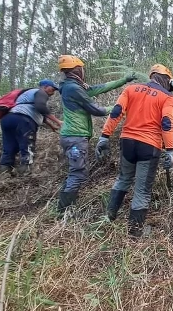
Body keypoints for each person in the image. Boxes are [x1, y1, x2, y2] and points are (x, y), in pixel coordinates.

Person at [95, 64, 173, 237]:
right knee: (142, 190)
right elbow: (167, 123)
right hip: (149, 145)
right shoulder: (167, 97)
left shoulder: (131, 89)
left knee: (123, 179)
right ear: (166, 80)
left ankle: (108, 218)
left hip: (127, 143)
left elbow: (116, 112)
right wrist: (169, 150)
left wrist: (105, 136)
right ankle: (135, 231)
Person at [57, 55, 136, 215]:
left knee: (75, 171)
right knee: (77, 173)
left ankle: (63, 207)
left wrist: (124, 80)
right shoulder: (73, 88)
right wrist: (117, 107)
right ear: (77, 69)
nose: (83, 71)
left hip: (72, 137)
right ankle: (63, 211)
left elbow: (97, 89)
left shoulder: (72, 85)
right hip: (75, 138)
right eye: (82, 68)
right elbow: (96, 110)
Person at [0, 79, 62, 175]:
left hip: (8, 119)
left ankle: (4, 172)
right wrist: (58, 121)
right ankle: (25, 172)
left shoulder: (28, 95)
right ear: (45, 87)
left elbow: (38, 112)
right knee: (27, 146)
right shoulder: (40, 92)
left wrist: (51, 126)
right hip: (23, 121)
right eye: (52, 89)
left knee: (9, 147)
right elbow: (40, 107)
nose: (53, 93)